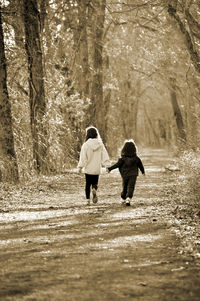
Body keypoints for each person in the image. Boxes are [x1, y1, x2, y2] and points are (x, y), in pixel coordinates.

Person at [77, 126, 110, 205]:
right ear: (96, 134)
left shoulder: (85, 145)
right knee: (95, 182)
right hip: (96, 169)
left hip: (88, 169)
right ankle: (94, 188)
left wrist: (80, 166)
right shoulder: (100, 144)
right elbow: (104, 155)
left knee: (87, 184)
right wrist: (107, 165)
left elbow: (83, 157)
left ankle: (88, 200)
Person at [107, 139, 145, 206]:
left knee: (125, 186)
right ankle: (128, 198)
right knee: (131, 186)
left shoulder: (122, 159)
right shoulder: (136, 158)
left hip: (125, 174)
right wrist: (143, 172)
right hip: (133, 174)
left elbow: (117, 165)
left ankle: (123, 198)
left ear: (124, 149)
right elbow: (140, 165)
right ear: (134, 149)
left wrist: (110, 169)